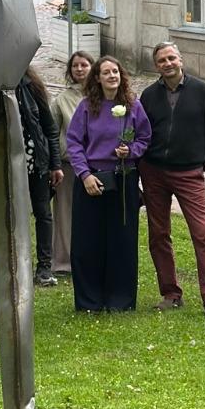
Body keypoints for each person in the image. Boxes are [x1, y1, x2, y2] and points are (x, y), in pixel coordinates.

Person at [139, 42, 205, 319]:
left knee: (203, 234)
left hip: (189, 173)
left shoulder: (202, 92)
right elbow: (141, 132)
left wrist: (201, 164)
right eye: (161, 60)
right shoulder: (149, 95)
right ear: (156, 66)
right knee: (158, 234)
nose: (167, 64)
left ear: (181, 60)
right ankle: (170, 293)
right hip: (154, 172)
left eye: (171, 58)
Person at [66, 57, 152, 313]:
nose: (112, 76)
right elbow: (74, 143)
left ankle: (120, 300)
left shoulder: (133, 106)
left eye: (115, 71)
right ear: (97, 78)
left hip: (123, 178)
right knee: (88, 241)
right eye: (106, 72)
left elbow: (145, 137)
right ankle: (89, 300)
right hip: (92, 178)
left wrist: (131, 150)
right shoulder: (86, 107)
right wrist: (84, 175)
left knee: (121, 240)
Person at [0, 67, 63, 286]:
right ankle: (11, 266)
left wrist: (55, 164)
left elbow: (49, 127)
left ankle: (44, 267)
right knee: (8, 214)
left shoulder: (31, 86)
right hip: (2, 162)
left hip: (35, 162)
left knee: (43, 213)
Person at [50, 50, 94, 278]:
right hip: (68, 165)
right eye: (75, 66)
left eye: (84, 65)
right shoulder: (62, 100)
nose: (79, 69)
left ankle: (91, 257)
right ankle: (63, 261)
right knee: (65, 213)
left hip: (96, 165)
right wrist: (54, 163)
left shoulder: (102, 96)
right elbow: (52, 131)